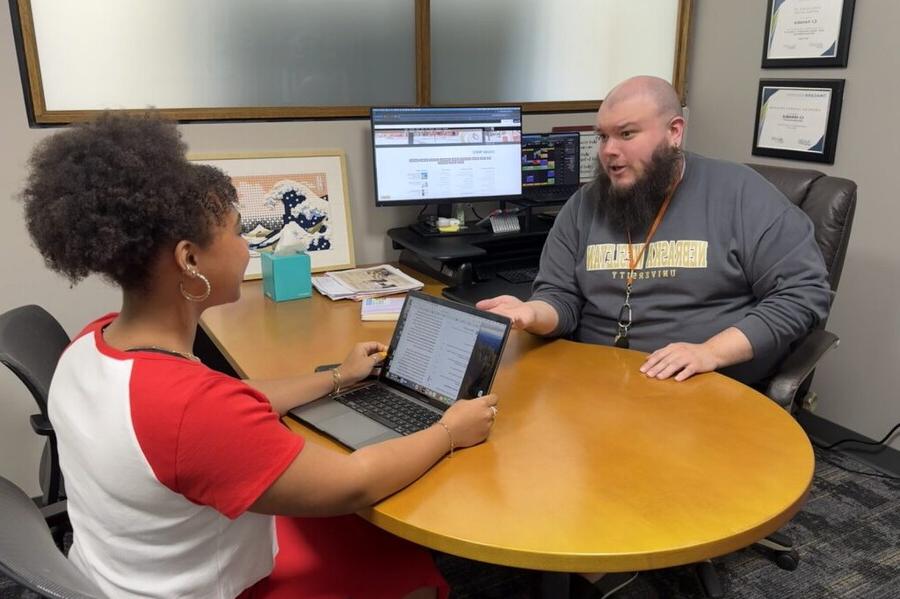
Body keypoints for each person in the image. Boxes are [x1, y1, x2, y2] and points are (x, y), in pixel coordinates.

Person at [21, 113, 500, 599]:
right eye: (236, 232)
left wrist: (338, 376)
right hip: (208, 589)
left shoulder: (90, 345)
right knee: (409, 568)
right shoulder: (189, 408)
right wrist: (448, 431)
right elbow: (355, 483)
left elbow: (231, 402)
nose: (247, 247)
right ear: (190, 260)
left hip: (117, 572)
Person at [478, 76, 832, 386]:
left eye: (626, 134)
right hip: (593, 381)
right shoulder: (584, 205)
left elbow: (803, 293)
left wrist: (710, 352)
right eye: (602, 136)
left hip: (703, 385)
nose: (609, 151)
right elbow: (560, 297)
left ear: (674, 132)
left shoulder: (741, 193)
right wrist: (532, 313)